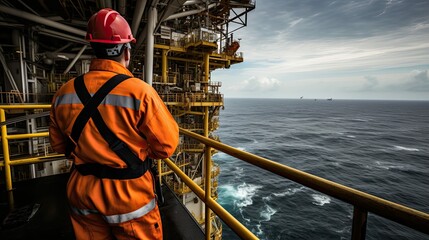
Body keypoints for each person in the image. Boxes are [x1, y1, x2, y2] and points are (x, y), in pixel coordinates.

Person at [49, 8, 179, 240]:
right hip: (128, 196)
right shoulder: (140, 92)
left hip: (82, 191)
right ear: (126, 51)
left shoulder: (64, 93)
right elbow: (166, 147)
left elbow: (59, 146)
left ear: (94, 49)